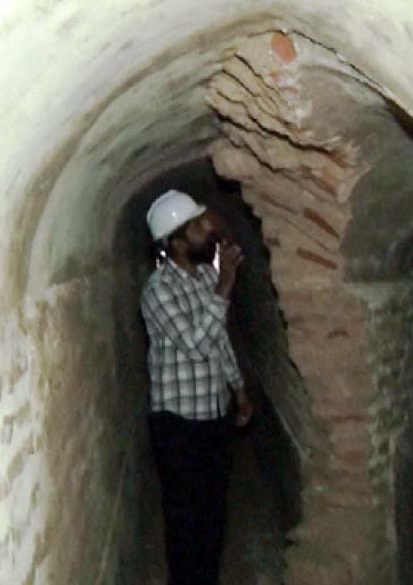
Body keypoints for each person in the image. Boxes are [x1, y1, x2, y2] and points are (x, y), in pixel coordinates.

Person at [140, 189, 253, 584]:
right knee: (186, 521)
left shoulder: (205, 276)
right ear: (175, 242)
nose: (208, 230)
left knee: (213, 513)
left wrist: (238, 390)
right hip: (178, 425)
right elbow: (195, 344)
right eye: (197, 226)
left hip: (212, 417)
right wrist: (225, 288)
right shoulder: (158, 290)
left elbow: (220, 343)